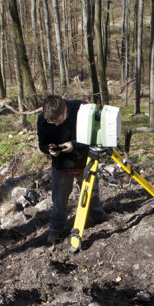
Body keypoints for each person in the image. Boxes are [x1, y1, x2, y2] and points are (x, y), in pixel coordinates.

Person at [37, 95, 107, 244]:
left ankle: (99, 219)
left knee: (92, 195)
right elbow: (42, 143)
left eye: (58, 120)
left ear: (65, 110)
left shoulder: (82, 110)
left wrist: (74, 144)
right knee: (59, 201)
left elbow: (94, 136)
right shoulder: (43, 120)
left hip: (85, 162)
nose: (55, 125)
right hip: (60, 166)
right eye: (52, 121)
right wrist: (48, 150)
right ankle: (56, 230)